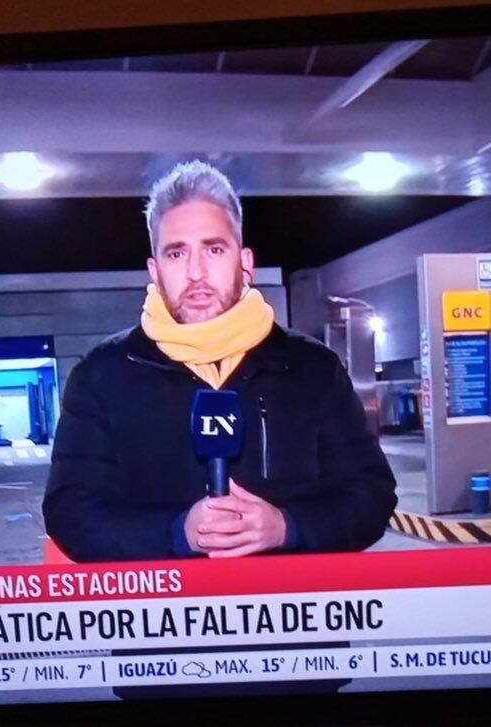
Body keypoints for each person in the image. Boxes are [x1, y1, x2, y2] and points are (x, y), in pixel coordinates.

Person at [42, 160, 397, 563]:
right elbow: (70, 510)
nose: (196, 273)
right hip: (163, 618)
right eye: (177, 254)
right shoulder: (102, 375)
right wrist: (178, 534)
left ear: (245, 263)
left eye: (214, 249)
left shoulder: (312, 368)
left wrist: (287, 526)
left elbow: (371, 493)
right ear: (155, 272)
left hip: (291, 615)